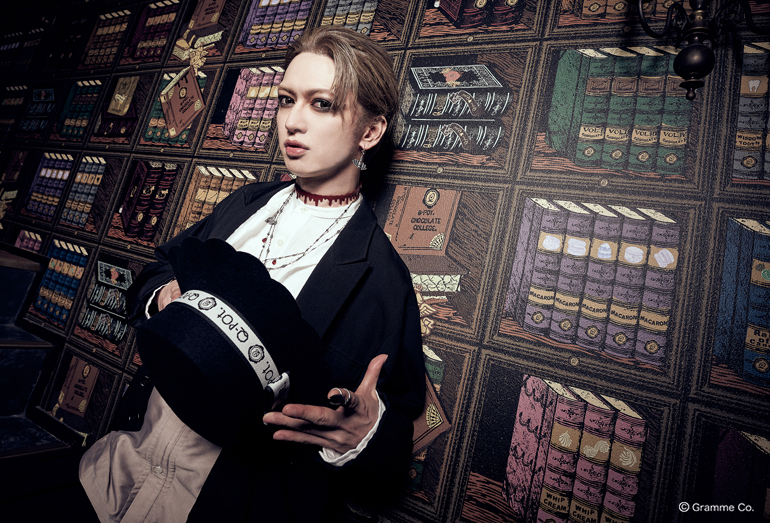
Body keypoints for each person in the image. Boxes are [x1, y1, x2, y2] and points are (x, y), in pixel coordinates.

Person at [79, 26, 425, 523]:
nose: (292, 122)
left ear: (369, 132)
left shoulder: (384, 280)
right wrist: (166, 296)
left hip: (224, 508)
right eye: (286, 100)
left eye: (321, 104)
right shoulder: (245, 203)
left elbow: (392, 439)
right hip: (113, 473)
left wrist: (363, 435)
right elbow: (159, 270)